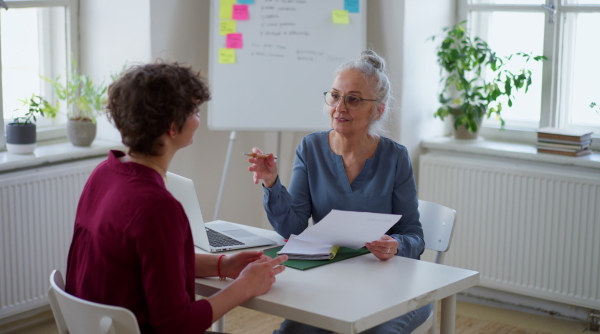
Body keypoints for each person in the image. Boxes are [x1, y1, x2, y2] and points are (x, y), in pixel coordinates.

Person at [65, 62, 287, 334]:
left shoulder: (104, 173)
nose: (198, 118)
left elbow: (153, 264)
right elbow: (177, 325)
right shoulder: (158, 208)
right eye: (194, 110)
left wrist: (223, 265)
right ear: (172, 127)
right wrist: (245, 287)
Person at [247, 50, 431, 334]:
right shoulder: (311, 148)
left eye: (353, 99)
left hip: (394, 287)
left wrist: (395, 245)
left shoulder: (396, 157)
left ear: (378, 110)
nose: (339, 107)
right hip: (331, 282)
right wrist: (272, 182)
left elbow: (414, 235)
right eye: (334, 95)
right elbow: (292, 226)